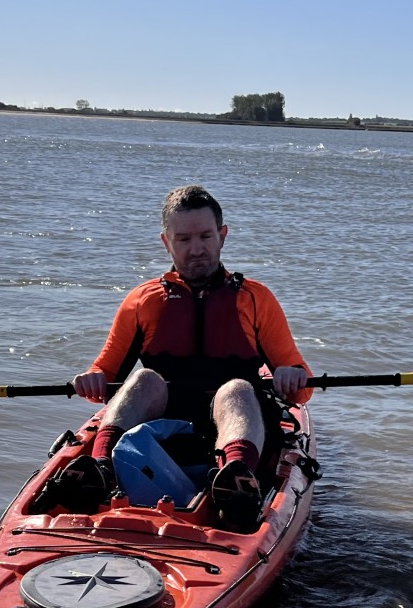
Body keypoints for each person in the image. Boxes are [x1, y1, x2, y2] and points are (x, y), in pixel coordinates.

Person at [43, 185, 311, 531]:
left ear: (222, 236)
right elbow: (104, 376)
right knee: (144, 379)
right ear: (166, 242)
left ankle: (237, 483)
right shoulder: (143, 301)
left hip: (238, 425)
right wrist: (92, 378)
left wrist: (291, 376)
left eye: (205, 236)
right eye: (183, 239)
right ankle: (101, 469)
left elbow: (302, 390)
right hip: (164, 430)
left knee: (236, 388)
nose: (196, 249)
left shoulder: (255, 299)